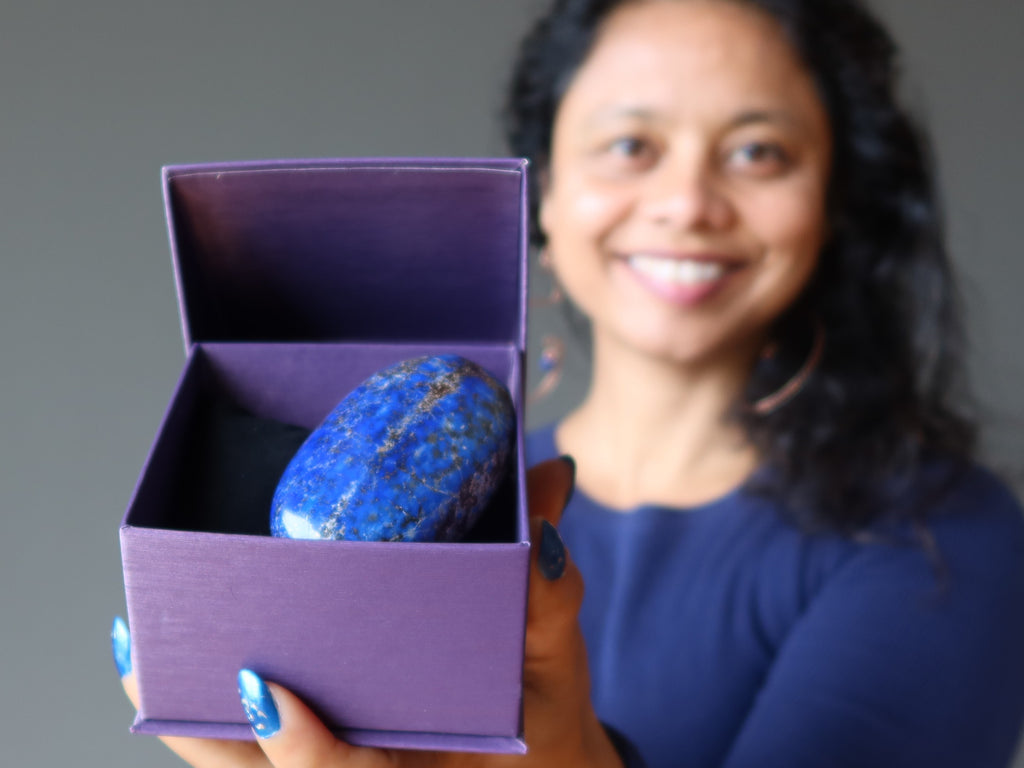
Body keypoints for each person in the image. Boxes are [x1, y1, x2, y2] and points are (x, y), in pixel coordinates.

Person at [113, 1, 1024, 766]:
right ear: (543, 192)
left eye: (757, 152)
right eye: (631, 144)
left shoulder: (941, 538)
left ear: (833, 200)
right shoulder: (471, 500)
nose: (686, 203)